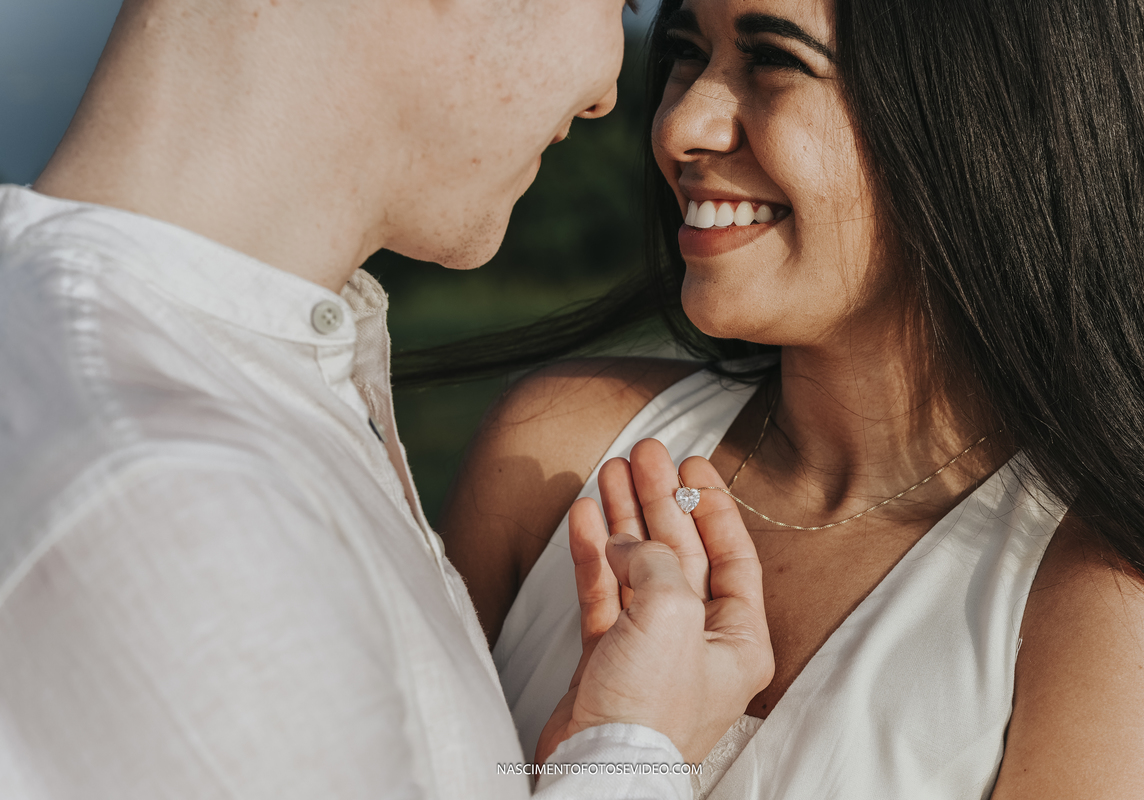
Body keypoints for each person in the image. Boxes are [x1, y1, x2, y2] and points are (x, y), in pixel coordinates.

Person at [0, 0, 776, 797]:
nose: (608, 89)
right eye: (618, 4)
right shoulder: (172, 496)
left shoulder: (115, 387)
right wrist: (636, 752)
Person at [438, 0, 1144, 797]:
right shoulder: (554, 454)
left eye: (774, 59)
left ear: (988, 114)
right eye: (689, 53)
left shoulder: (1116, 611)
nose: (680, 127)